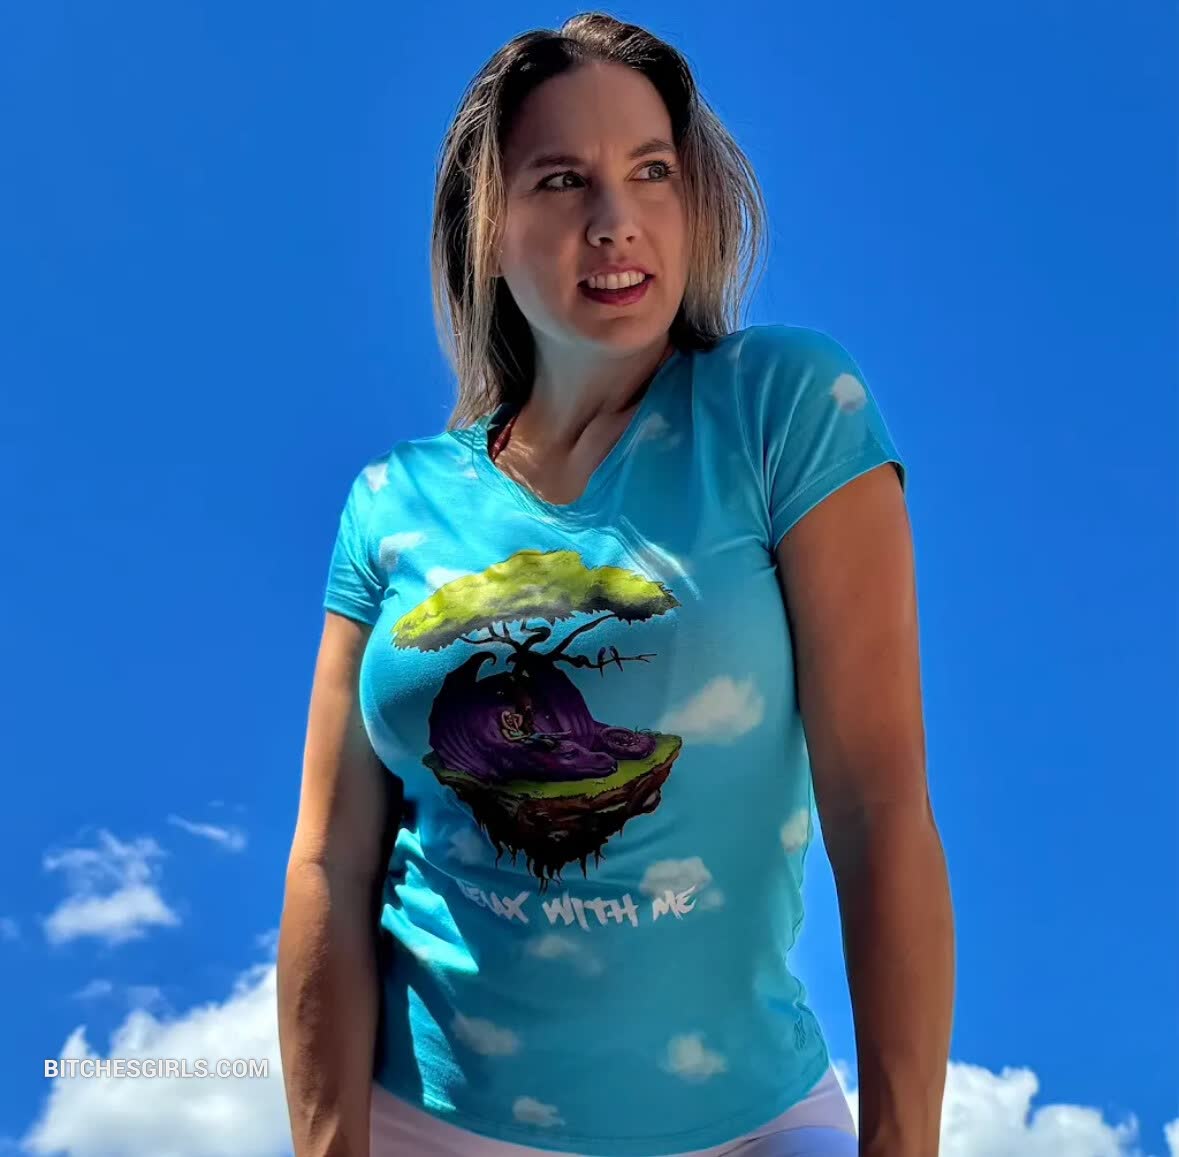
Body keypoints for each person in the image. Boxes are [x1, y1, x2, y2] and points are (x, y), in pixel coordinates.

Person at [277, 12, 955, 1157]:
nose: (616, 221)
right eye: (561, 180)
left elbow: (879, 806)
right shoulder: (391, 501)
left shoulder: (785, 408)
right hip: (424, 1119)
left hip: (744, 1122)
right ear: (487, 230)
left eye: (652, 171)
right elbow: (329, 860)